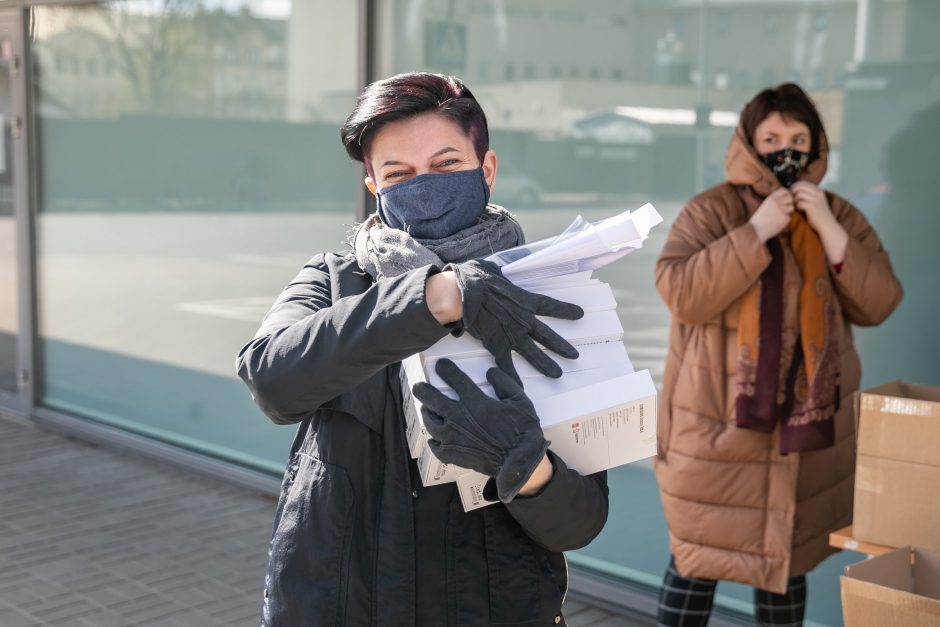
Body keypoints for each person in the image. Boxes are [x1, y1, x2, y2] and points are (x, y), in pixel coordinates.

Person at [236, 72, 609, 627]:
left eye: (447, 164)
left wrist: (527, 468)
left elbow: (582, 522)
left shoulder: (544, 294)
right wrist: (435, 296)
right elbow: (270, 379)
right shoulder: (335, 280)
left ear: (487, 170)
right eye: (399, 173)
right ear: (375, 188)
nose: (425, 185)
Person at [652, 83, 902, 627]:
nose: (783, 150)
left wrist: (830, 230)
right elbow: (681, 293)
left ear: (816, 147)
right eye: (770, 138)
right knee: (696, 561)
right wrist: (757, 231)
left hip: (803, 436)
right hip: (716, 427)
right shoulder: (712, 211)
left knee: (784, 567)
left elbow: (880, 300)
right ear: (747, 142)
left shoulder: (837, 213)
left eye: (797, 138)